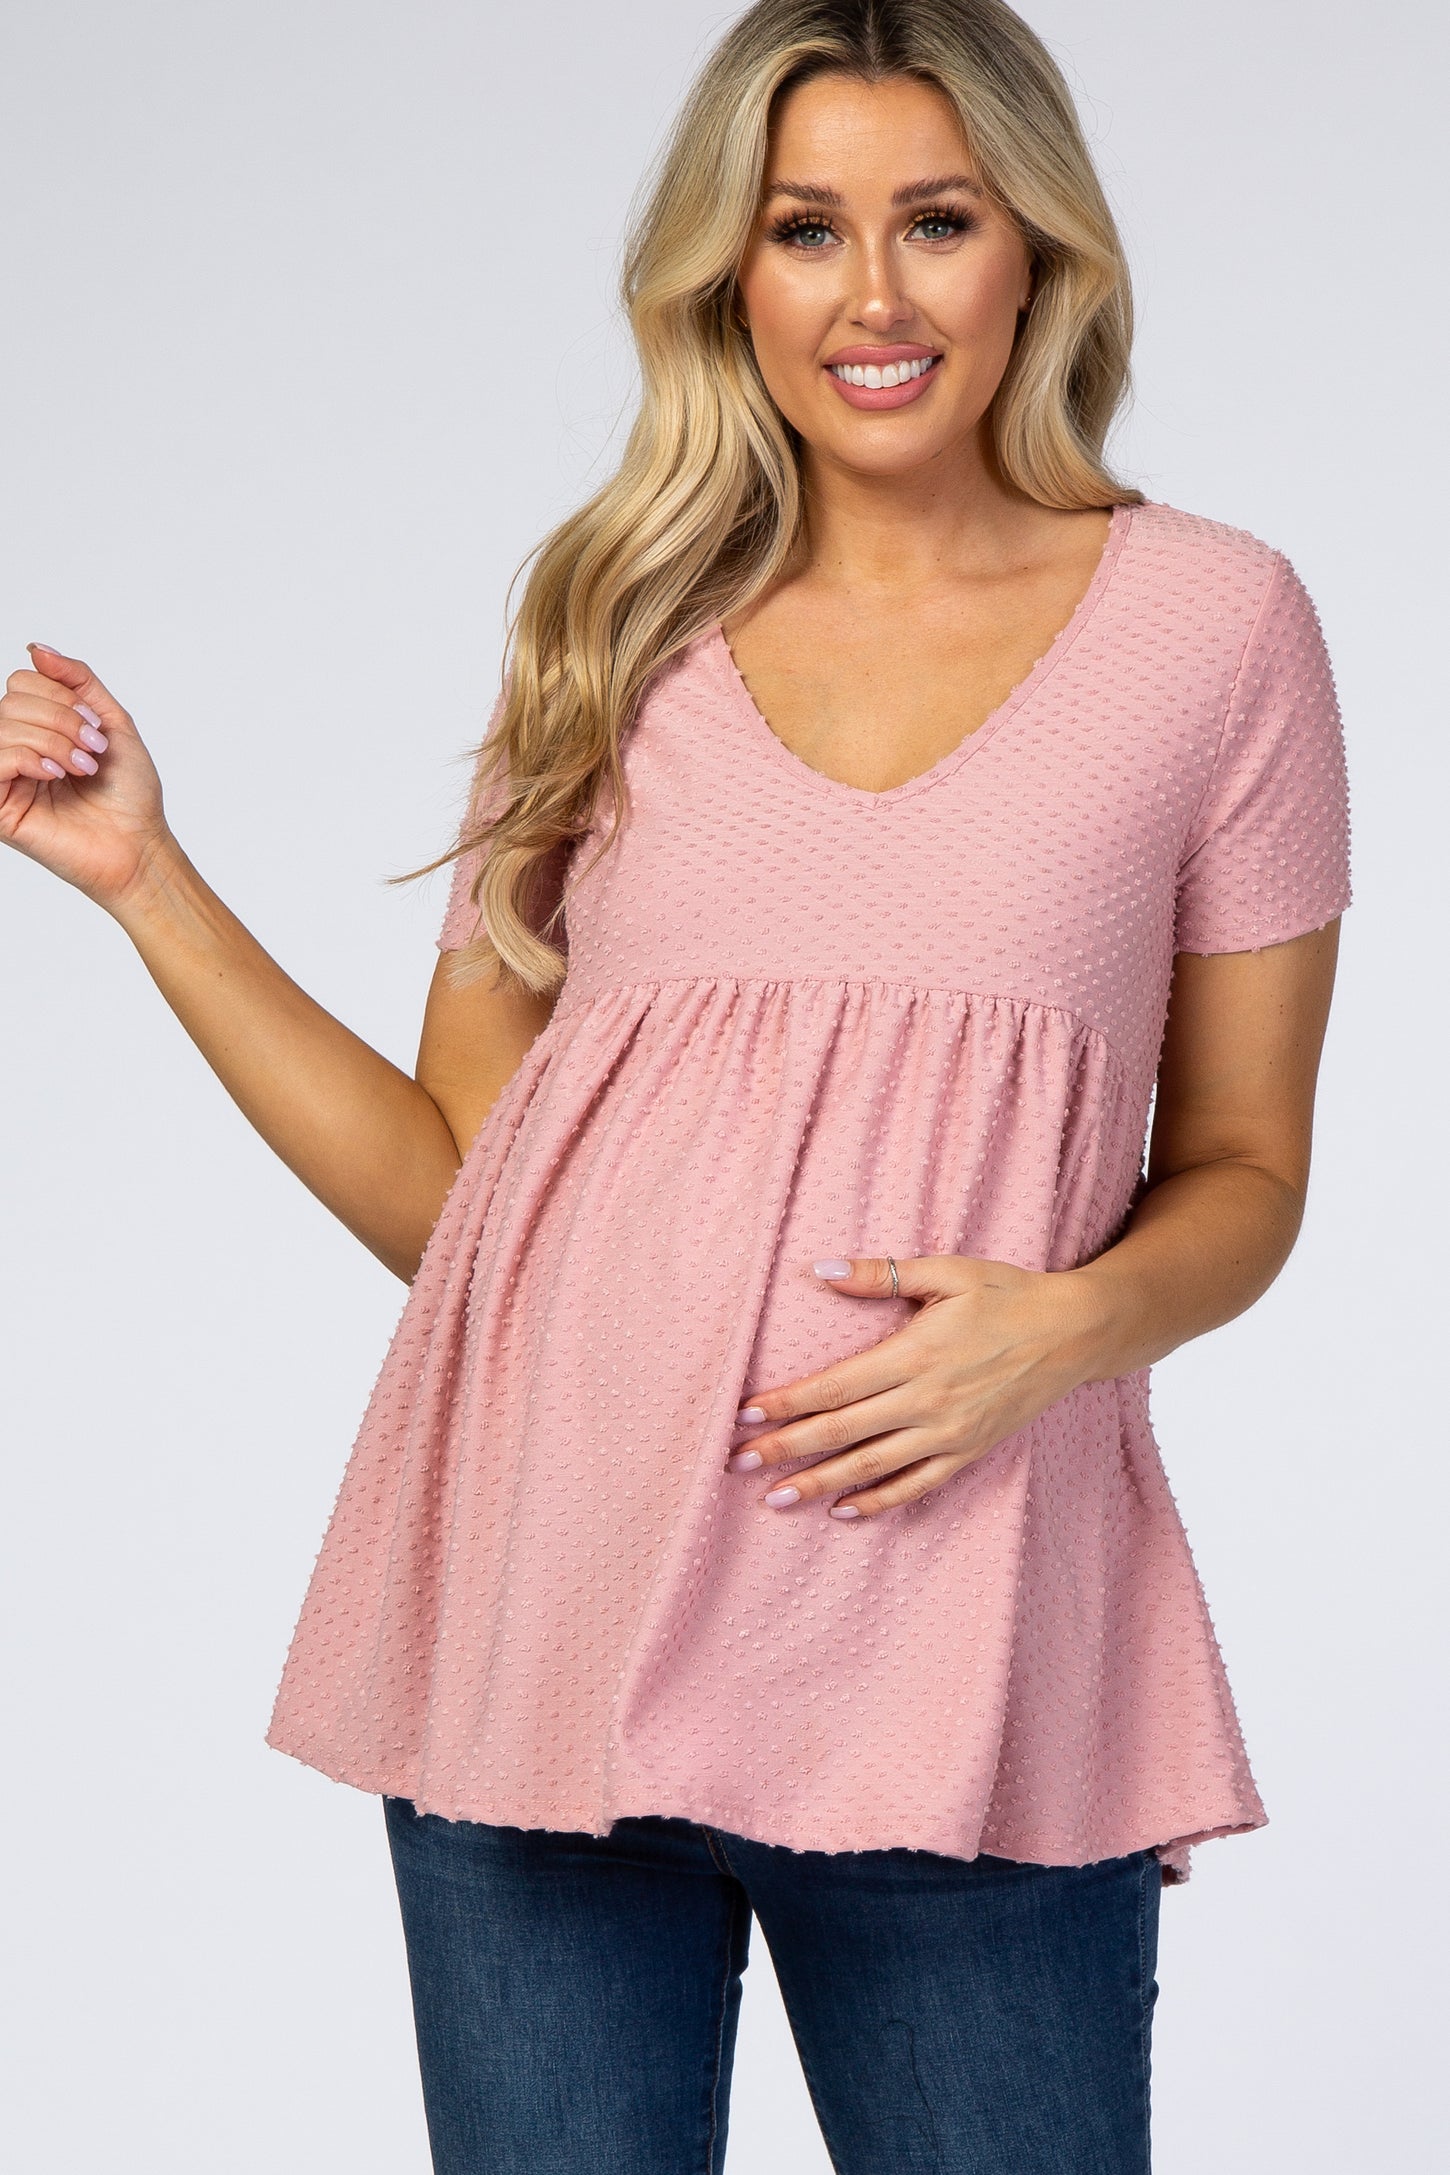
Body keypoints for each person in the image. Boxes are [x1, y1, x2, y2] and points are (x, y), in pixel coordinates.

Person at [0, 0, 1352, 2168]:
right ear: (731, 272)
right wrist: (146, 880)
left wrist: (1063, 1325)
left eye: (935, 219)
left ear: (1037, 251)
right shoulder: (614, 615)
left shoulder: (1214, 628)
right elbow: (456, 1202)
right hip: (543, 1633)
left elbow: (1248, 1166)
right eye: (806, 228)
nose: (873, 294)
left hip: (960, 1649)